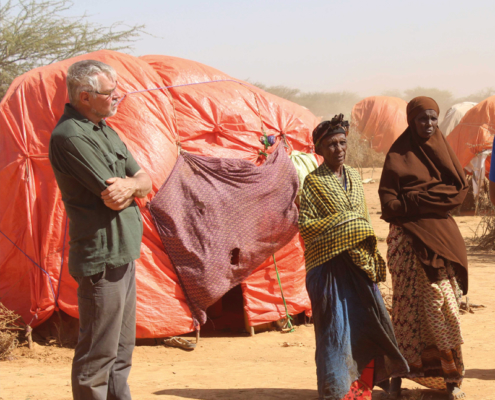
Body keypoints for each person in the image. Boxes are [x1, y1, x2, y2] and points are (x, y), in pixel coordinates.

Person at [49, 60, 152, 400]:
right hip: (101, 258)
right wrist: (131, 185)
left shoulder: (106, 130)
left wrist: (132, 184)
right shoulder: (70, 136)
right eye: (110, 94)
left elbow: (144, 179)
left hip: (123, 253)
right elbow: (113, 198)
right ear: (85, 95)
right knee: (98, 355)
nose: (117, 99)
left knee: (121, 352)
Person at [299, 114, 409, 400]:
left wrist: (359, 235)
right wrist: (350, 226)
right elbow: (307, 227)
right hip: (328, 271)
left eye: (342, 142)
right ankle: (335, 392)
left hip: (359, 269)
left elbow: (364, 223)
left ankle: (361, 390)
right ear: (320, 150)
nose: (338, 149)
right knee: (334, 336)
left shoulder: (356, 182)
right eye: (332, 144)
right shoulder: (312, 184)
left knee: (370, 329)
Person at [379, 97, 468, 400]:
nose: (428, 124)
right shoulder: (397, 155)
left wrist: (414, 199)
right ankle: (398, 376)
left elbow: (457, 194)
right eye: (422, 119)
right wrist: (426, 199)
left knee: (443, 308)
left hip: (440, 243)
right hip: (405, 244)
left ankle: (452, 377)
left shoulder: (444, 151)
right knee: (405, 313)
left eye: (433, 118)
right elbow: (389, 205)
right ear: (411, 120)